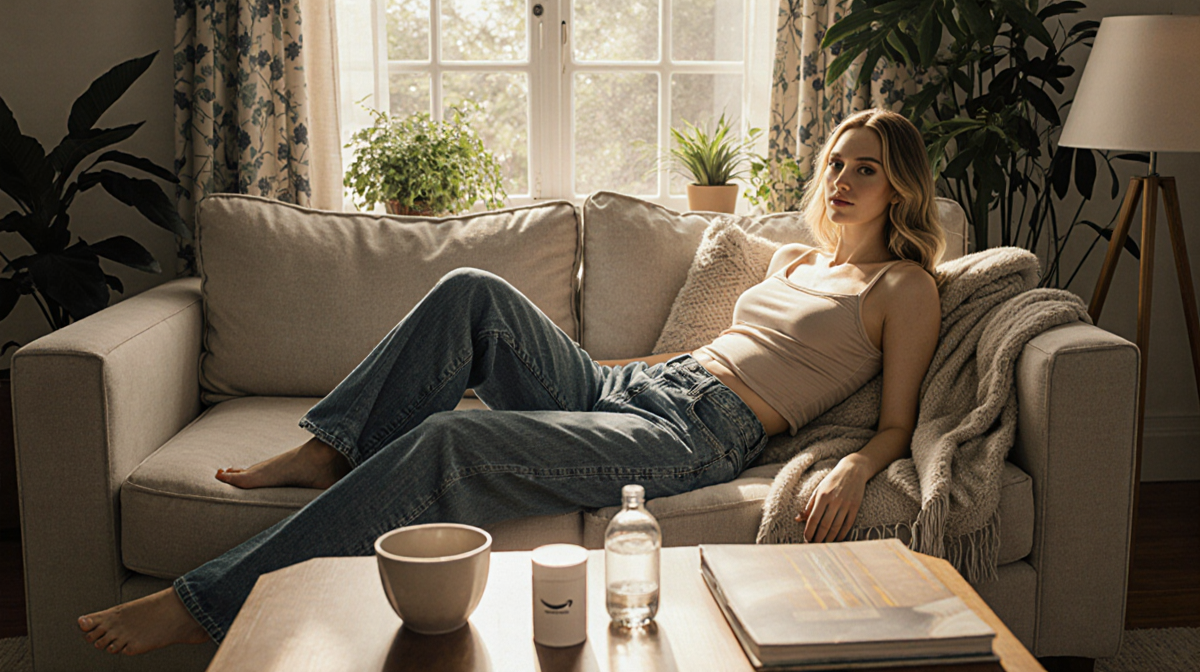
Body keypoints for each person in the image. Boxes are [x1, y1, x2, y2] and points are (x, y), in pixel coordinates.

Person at [76, 108, 944, 656]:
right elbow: (712, 353)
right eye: (836, 161)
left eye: (866, 167)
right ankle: (328, 448)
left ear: (899, 185)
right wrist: (606, 374)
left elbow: (896, 421)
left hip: (696, 437)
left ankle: (207, 604)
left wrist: (857, 465)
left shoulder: (903, 287)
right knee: (472, 293)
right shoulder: (790, 259)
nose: (842, 179)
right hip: (648, 390)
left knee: (450, 440)